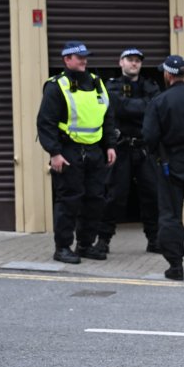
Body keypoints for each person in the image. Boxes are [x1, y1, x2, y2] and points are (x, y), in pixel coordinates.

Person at [37, 41, 117, 264]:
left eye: (85, 56)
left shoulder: (96, 83)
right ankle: (62, 247)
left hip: (94, 151)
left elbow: (107, 118)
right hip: (68, 151)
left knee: (95, 200)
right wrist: (54, 153)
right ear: (66, 59)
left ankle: (84, 244)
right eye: (78, 56)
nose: (83, 60)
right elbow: (46, 123)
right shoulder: (56, 86)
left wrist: (110, 145)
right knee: (69, 201)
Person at [142, 55, 184, 280]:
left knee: (170, 216)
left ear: (168, 75)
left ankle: (175, 266)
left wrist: (156, 155)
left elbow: (149, 136)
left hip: (168, 166)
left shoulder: (159, 101)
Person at [96, 48, 161, 255]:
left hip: (144, 150)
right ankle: (103, 240)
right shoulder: (111, 86)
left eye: (137, 61)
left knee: (151, 195)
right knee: (115, 196)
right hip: (122, 148)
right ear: (121, 62)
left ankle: (154, 240)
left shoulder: (150, 85)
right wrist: (140, 106)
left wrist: (128, 106)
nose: (134, 64)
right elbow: (118, 108)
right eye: (130, 60)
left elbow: (153, 108)